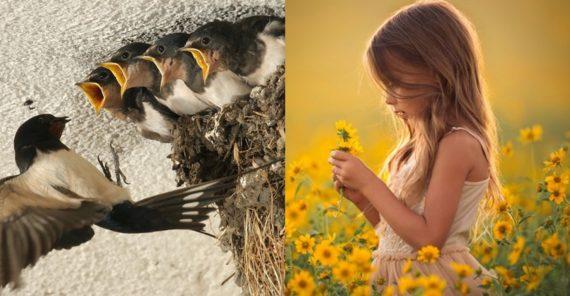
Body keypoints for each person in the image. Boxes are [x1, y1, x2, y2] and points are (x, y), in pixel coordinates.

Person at [328, 0, 501, 294]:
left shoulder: (458, 144)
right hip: (402, 277)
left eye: (396, 84)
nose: (388, 99)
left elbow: (429, 240)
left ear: (437, 71)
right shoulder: (417, 145)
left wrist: (371, 184)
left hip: (435, 281)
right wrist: (363, 200)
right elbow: (396, 237)